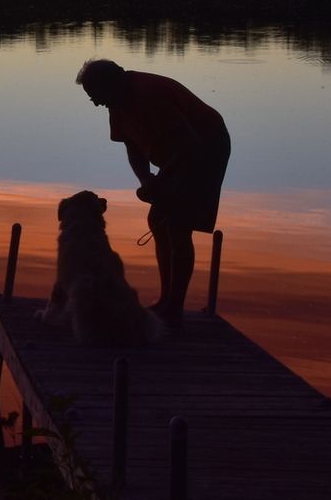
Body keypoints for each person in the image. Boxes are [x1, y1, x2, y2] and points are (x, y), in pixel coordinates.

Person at [75, 58, 230, 327]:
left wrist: (159, 183)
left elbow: (190, 146)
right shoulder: (117, 102)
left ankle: (174, 306)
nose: (95, 103)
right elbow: (132, 147)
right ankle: (165, 299)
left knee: (178, 225)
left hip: (206, 147)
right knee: (158, 219)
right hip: (178, 153)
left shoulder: (149, 95)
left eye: (94, 95)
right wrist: (146, 180)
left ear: (109, 83)